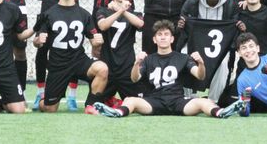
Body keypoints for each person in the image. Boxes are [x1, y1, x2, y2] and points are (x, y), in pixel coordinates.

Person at [93, 20, 246, 118]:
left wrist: (201, 64)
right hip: (155, 101)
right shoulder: (149, 59)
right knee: (129, 100)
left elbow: (199, 76)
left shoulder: (182, 57)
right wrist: (136, 63)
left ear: (172, 38)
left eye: (166, 34)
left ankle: (220, 113)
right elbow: (134, 78)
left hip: (177, 101)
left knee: (202, 101)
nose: (163, 37)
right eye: (159, 35)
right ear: (154, 39)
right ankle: (117, 113)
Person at [33, 0, 108, 114]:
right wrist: (38, 41)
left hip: (78, 60)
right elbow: (36, 43)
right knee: (49, 109)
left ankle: (90, 106)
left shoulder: (84, 14)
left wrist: (98, 42)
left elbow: (94, 43)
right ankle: (43, 101)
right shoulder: (48, 14)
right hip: (58, 65)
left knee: (102, 69)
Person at [177, 0, 245, 101]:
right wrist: (180, 26)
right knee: (184, 56)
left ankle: (213, 100)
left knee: (224, 64)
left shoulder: (231, 3)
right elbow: (183, 26)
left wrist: (240, 29)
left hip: (219, 47)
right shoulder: (192, 1)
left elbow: (234, 29)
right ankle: (189, 98)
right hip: (195, 43)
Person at [96, 0, 145, 104]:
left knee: (139, 103)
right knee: (94, 104)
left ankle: (114, 101)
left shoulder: (135, 13)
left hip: (126, 67)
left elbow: (140, 24)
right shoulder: (102, 11)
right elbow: (103, 26)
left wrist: (122, 10)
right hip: (107, 66)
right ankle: (111, 100)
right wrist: (119, 11)